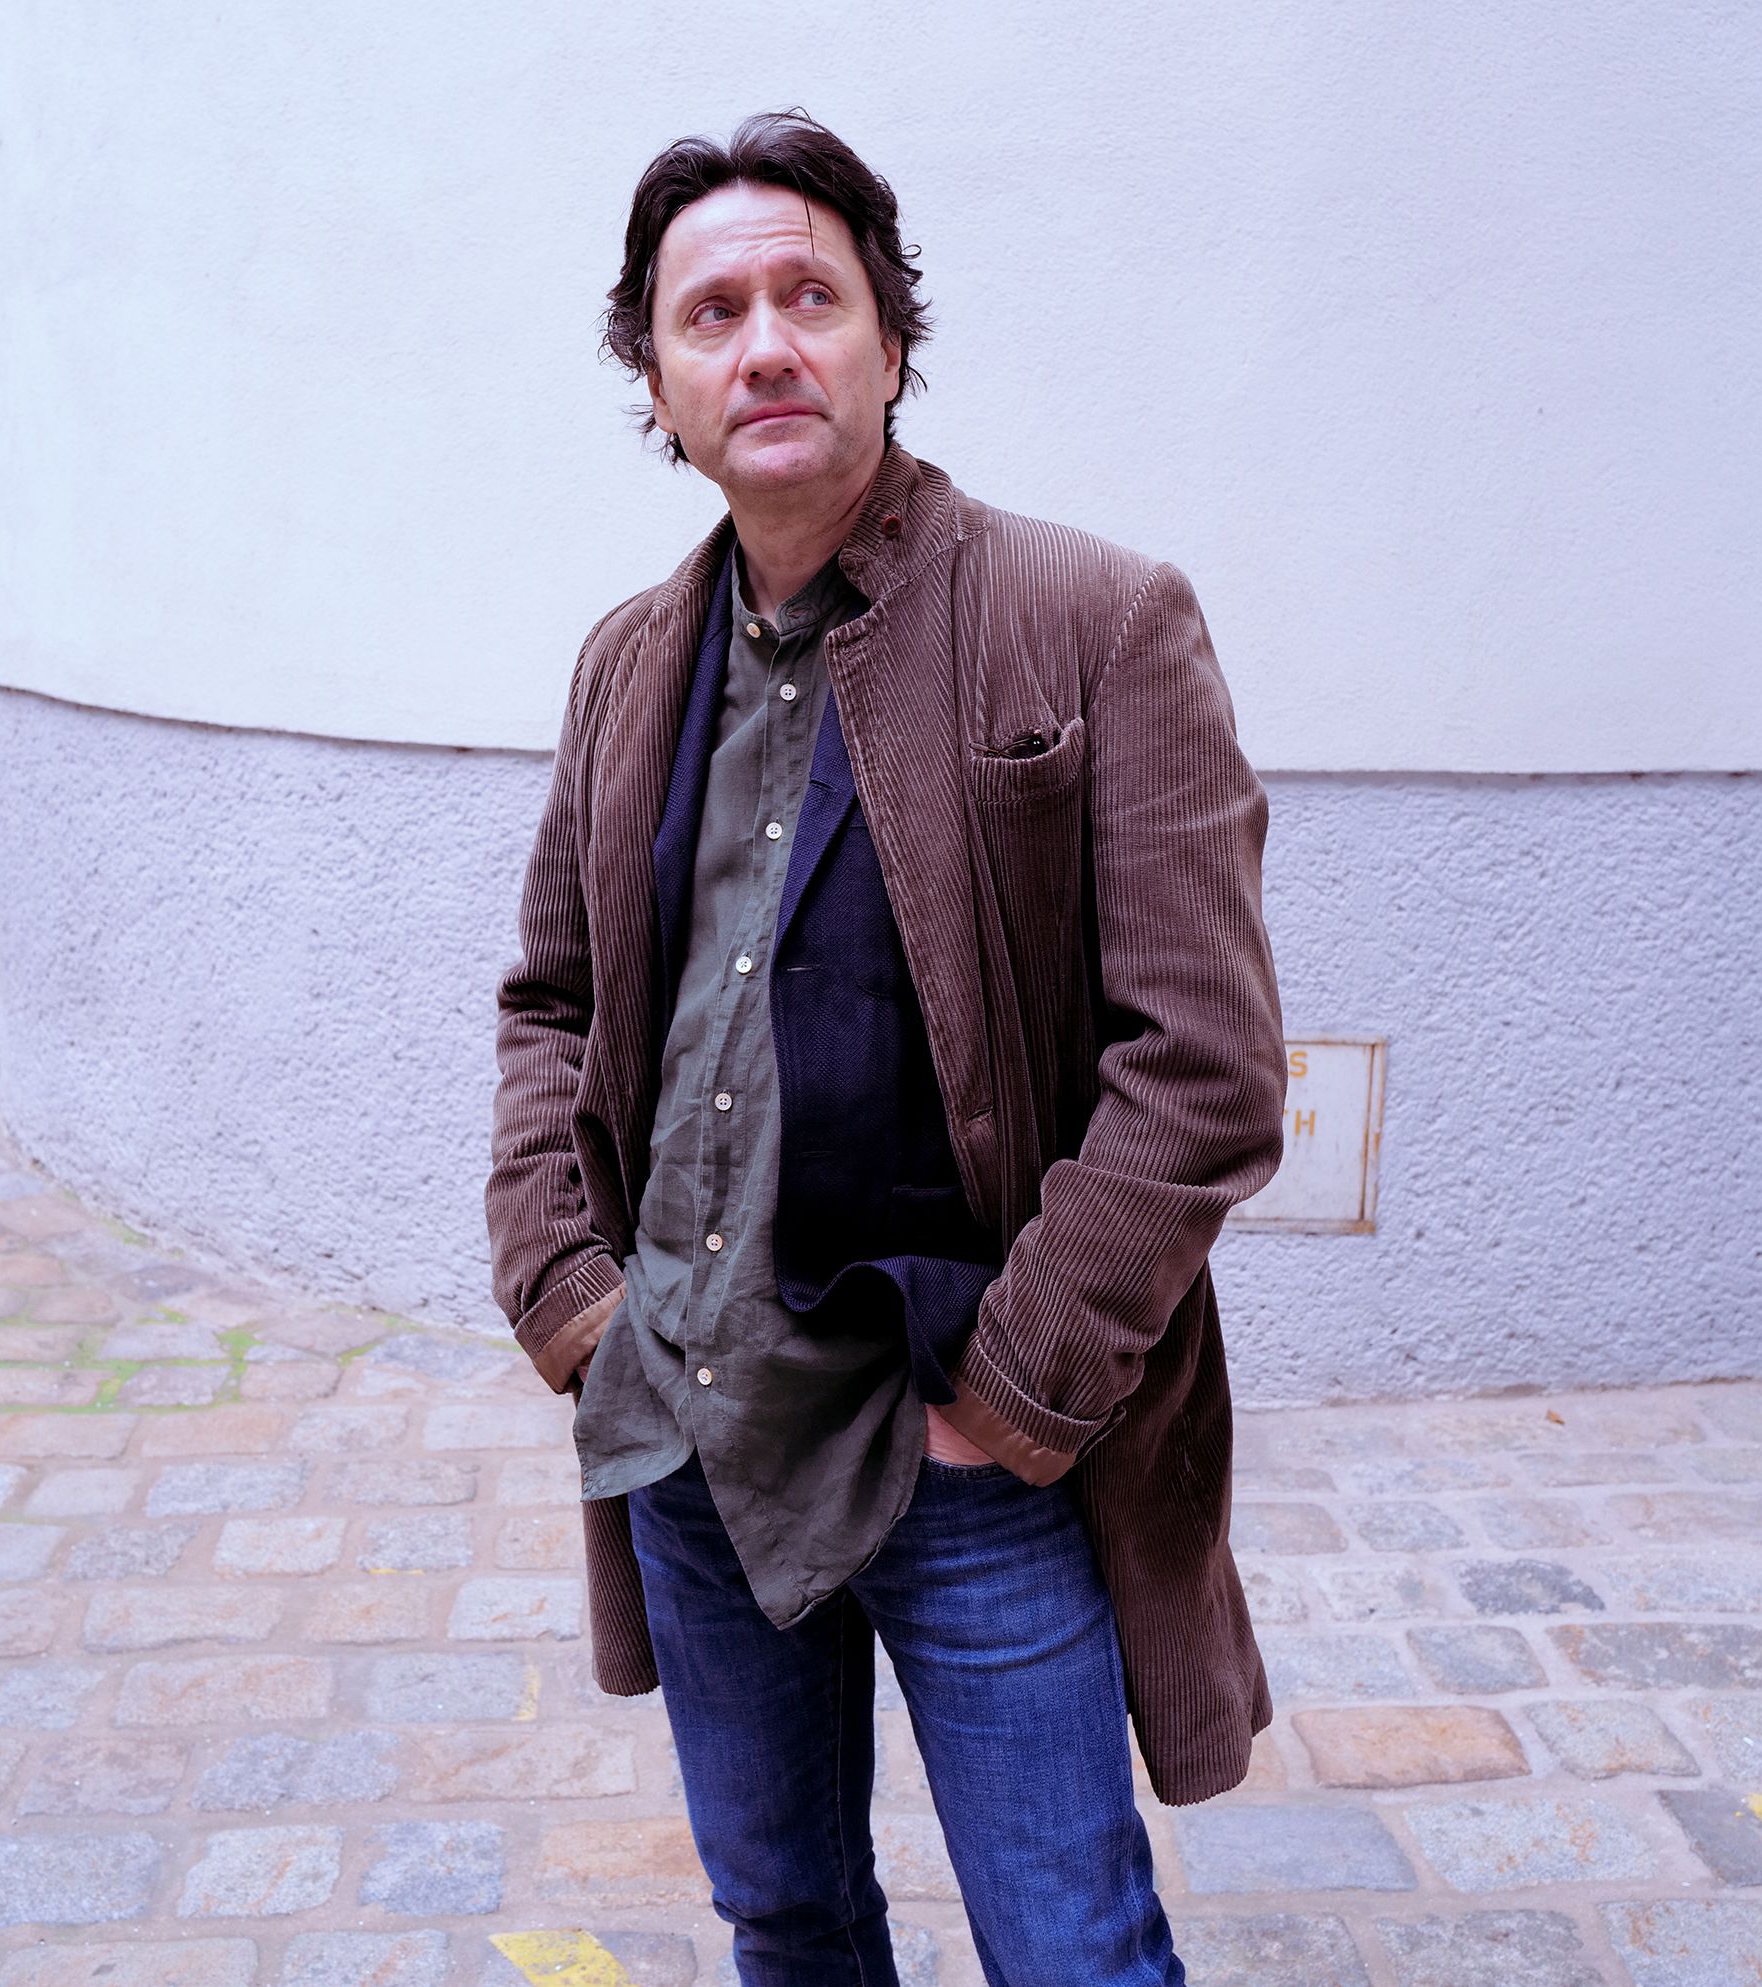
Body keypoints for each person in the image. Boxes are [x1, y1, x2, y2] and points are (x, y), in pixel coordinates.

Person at [488, 108, 1285, 1987]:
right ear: (658, 385)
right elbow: (551, 1002)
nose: (764, 344)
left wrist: (1016, 1390)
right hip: (691, 1432)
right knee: (784, 1918)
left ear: (889, 343)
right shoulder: (627, 662)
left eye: (811, 297)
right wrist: (569, 1296)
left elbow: (1202, 1066)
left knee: (1072, 1953)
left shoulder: (1094, 620)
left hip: (970, 1452)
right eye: (711, 314)